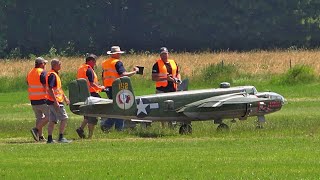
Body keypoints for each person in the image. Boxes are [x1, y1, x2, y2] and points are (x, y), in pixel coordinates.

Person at [100, 46, 139, 131]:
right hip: (117, 88)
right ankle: (117, 128)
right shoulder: (117, 63)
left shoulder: (105, 63)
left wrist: (105, 86)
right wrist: (135, 72)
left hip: (108, 88)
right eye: (119, 53)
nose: (120, 55)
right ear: (117, 54)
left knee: (116, 107)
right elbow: (123, 74)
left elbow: (103, 76)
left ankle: (107, 126)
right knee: (121, 108)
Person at [76, 54, 105, 139]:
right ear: (91, 61)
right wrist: (101, 87)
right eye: (95, 62)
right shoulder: (89, 69)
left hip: (83, 94)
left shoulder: (81, 68)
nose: (95, 64)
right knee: (93, 114)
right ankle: (90, 135)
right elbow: (91, 83)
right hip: (92, 94)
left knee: (87, 114)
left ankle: (81, 129)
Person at [152, 47, 181, 127]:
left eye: (165, 54)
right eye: (162, 54)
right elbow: (153, 77)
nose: (164, 56)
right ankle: (163, 126)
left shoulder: (173, 62)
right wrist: (166, 78)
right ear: (160, 55)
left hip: (173, 89)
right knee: (162, 108)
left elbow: (178, 73)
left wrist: (178, 79)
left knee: (173, 107)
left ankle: (172, 125)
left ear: (168, 54)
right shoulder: (156, 64)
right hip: (161, 90)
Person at [46, 59, 71, 143]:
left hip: (52, 101)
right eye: (59, 64)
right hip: (55, 101)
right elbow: (50, 88)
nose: (60, 65)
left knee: (52, 120)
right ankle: (61, 137)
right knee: (64, 118)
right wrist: (55, 101)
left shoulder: (54, 74)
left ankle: (49, 139)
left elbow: (58, 89)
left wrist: (65, 98)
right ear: (55, 65)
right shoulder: (53, 75)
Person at [27, 57, 49, 142]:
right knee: (50, 116)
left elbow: (28, 84)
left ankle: (40, 137)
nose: (45, 65)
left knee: (39, 118)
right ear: (41, 64)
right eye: (45, 63)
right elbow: (45, 86)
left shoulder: (30, 73)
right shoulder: (42, 72)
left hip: (33, 99)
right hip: (42, 99)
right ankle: (36, 129)